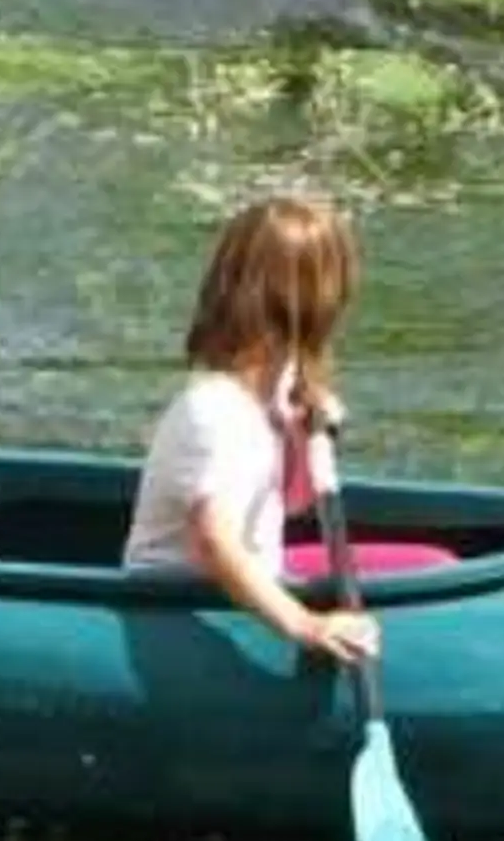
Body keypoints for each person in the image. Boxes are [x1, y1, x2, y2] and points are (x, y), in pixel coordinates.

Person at [122, 194, 382, 665]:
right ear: (316, 303)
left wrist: (307, 435)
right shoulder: (216, 412)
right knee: (431, 573)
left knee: (436, 560)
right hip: (181, 607)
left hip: (255, 572)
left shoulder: (273, 391)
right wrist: (305, 625)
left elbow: (295, 503)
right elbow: (213, 544)